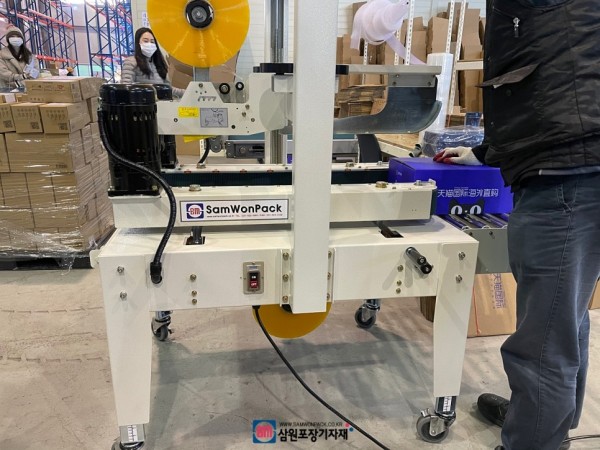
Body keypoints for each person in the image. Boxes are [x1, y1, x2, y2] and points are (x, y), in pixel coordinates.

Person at [435, 1, 600, 449]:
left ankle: (534, 439)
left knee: (543, 343)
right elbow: (549, 65)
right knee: (564, 322)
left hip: (565, 174)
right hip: (567, 164)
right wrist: (486, 152)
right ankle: (543, 424)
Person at [121, 27, 184, 98]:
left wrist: (187, 92)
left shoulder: (159, 63)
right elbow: (125, 88)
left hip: (161, 103)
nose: (149, 44)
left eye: (152, 42)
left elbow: (167, 89)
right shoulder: (131, 62)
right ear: (138, 43)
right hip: (142, 103)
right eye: (145, 41)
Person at [0, 25, 40, 90]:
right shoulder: (2, 55)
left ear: (22, 39)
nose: (15, 38)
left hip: (27, 89)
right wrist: (23, 76)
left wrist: (20, 83)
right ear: (8, 39)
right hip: (7, 90)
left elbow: (35, 74)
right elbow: (3, 74)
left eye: (18, 36)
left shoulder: (30, 56)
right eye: (12, 36)